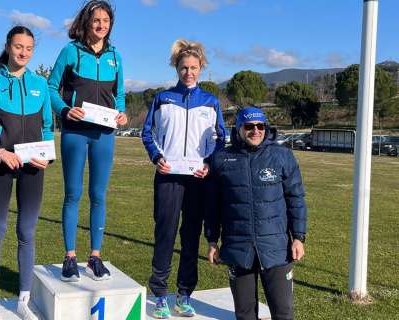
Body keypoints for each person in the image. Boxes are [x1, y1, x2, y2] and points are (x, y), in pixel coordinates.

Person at [0, 26, 53, 320]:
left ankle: (23, 301)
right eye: (19, 47)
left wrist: (46, 157)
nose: (24, 53)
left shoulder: (40, 85)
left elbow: (46, 127)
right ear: (8, 46)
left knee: (27, 232)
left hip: (32, 169)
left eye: (29, 48)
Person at [141, 39, 226, 318]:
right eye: (183, 67)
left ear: (201, 68)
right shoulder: (163, 98)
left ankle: (184, 294)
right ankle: (160, 294)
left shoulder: (211, 102)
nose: (188, 72)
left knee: (190, 236)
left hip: (197, 179)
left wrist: (209, 165)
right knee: (164, 234)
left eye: (193, 67)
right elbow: (147, 133)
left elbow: (220, 139)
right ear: (176, 68)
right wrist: (157, 157)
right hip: (167, 177)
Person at [47, 0, 127, 282]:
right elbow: (50, 88)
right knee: (73, 194)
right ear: (86, 22)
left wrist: (122, 114)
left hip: (104, 135)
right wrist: (65, 110)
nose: (101, 24)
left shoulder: (115, 57)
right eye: (96, 19)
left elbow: (119, 95)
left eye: (106, 20)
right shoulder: (70, 51)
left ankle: (95, 256)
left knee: (99, 195)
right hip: (75, 133)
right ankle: (70, 257)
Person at [205, 107, 307, 320]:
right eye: (249, 126)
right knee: (244, 314)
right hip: (238, 249)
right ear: (239, 129)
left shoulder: (282, 156)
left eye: (260, 126)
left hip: (277, 250)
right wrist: (212, 241)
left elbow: (296, 200)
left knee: (283, 312)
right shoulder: (222, 159)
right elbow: (213, 205)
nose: (255, 131)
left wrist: (298, 238)